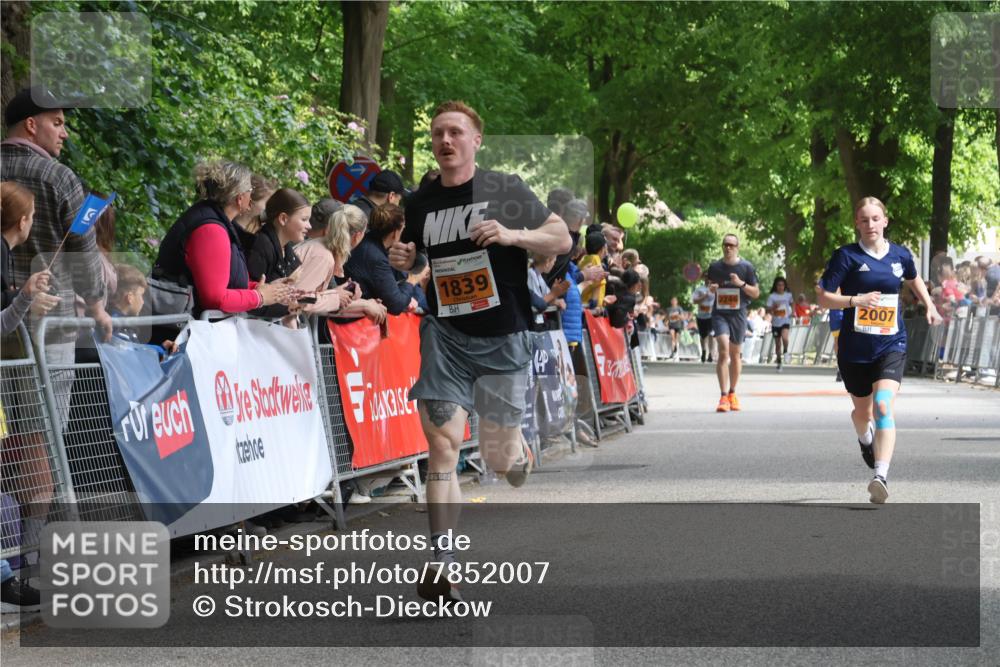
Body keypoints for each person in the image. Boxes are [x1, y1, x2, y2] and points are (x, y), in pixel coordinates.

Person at [389, 100, 570, 604]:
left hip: (503, 336)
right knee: (443, 448)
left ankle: (518, 451)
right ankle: (442, 560)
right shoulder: (420, 202)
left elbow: (561, 237)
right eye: (438, 133)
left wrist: (513, 234)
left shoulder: (503, 189)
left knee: (499, 456)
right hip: (446, 336)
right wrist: (410, 257)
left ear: (476, 140)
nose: (445, 140)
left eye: (456, 132)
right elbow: (419, 254)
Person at [817, 197, 941, 504]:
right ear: (857, 224)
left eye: (875, 219)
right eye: (864, 220)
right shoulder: (845, 256)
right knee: (863, 412)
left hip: (891, 342)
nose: (870, 225)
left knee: (884, 405)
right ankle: (865, 438)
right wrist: (853, 301)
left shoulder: (900, 254)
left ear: (885, 221)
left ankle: (880, 476)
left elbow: (913, 280)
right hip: (855, 348)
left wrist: (930, 305)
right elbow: (823, 297)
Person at [1, 87, 112, 431]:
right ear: (32, 125)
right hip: (50, 326)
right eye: (58, 122)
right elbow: (84, 254)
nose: (65, 132)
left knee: (6, 433)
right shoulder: (59, 177)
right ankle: (44, 489)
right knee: (43, 434)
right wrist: (95, 306)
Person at [151, 160, 296, 321]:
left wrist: (262, 289)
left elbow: (227, 281)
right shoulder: (212, 230)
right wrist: (259, 297)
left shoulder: (217, 221)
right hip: (179, 330)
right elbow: (215, 298)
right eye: (250, 189)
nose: (251, 194)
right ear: (239, 198)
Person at [294, 203, 385, 323]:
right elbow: (300, 299)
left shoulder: (322, 248)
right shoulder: (323, 256)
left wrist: (338, 293)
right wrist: (335, 296)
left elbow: (306, 296)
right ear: (358, 236)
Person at [707, 233, 760, 412]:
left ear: (737, 247)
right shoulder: (714, 267)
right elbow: (710, 286)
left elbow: (756, 293)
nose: (728, 248)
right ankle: (722, 396)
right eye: (725, 245)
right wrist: (712, 288)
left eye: (731, 245)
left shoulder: (747, 267)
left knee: (735, 353)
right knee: (723, 350)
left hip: (738, 313)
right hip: (720, 313)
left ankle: (732, 393)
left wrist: (741, 284)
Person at [246, 188, 313, 322]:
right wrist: (289, 307)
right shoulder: (261, 246)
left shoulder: (286, 249)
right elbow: (251, 302)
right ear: (283, 219)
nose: (310, 226)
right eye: (304, 219)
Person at [344, 203, 419, 315]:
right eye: (403, 228)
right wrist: (412, 280)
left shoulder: (366, 242)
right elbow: (396, 305)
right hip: (352, 322)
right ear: (395, 232)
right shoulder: (376, 258)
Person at [232, 174, 277, 253]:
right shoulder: (230, 227)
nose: (269, 208)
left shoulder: (259, 228)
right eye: (267, 203)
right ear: (250, 201)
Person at [766, 276, 794, 372]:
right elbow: (768, 310)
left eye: (782, 285)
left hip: (785, 320)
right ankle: (779, 362)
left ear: (785, 286)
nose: (780, 287)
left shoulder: (788, 295)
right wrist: (774, 307)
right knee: (777, 344)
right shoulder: (772, 296)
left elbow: (792, 304)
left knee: (785, 338)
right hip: (775, 322)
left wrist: (792, 312)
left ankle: (786, 351)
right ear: (776, 286)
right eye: (778, 285)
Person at [578, 233, 608, 310]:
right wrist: (595, 304)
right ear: (602, 249)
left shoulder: (584, 258)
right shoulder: (595, 259)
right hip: (590, 307)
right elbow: (598, 283)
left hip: (582, 302)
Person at [691, 273, 716, 363]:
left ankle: (711, 354)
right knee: (703, 335)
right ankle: (704, 351)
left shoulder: (716, 289)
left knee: (712, 334)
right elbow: (694, 301)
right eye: (706, 277)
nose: (708, 279)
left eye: (710, 277)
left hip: (712, 315)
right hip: (701, 315)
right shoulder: (699, 289)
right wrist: (704, 296)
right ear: (704, 278)